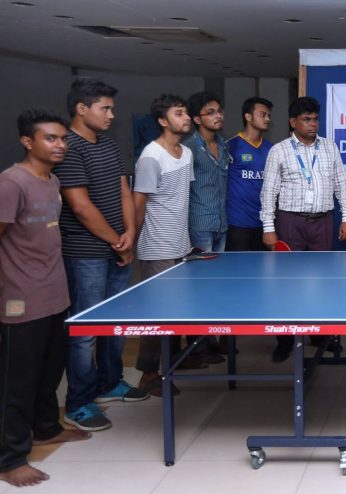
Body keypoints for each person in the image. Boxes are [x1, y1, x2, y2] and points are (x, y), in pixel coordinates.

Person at [0, 110, 91, 488]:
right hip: (21, 298)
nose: (60, 145)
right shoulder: (11, 182)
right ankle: (9, 458)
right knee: (16, 382)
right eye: (50, 138)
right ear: (27, 142)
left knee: (50, 371)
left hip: (55, 292)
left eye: (62, 139)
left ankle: (46, 427)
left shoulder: (51, 180)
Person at [55, 79, 147, 433]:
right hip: (85, 254)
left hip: (116, 249)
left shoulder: (108, 145)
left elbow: (124, 191)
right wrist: (116, 240)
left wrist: (130, 234)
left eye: (111, 108)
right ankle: (79, 401)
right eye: (105, 108)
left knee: (116, 323)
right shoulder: (69, 148)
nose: (112, 115)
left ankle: (110, 382)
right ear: (81, 108)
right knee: (85, 330)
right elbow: (79, 205)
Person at [261, 96, 346, 363]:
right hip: (290, 222)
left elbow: (341, 184)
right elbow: (269, 192)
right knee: (287, 284)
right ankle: (285, 340)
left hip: (323, 222)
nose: (312, 124)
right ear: (293, 122)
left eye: (315, 119)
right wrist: (269, 226)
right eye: (306, 119)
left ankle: (318, 334)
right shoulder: (279, 150)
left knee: (322, 282)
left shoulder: (330, 148)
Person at [133, 95, 198, 396]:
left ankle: (170, 368)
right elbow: (139, 202)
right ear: (162, 121)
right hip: (157, 245)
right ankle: (148, 374)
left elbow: (182, 199)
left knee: (174, 312)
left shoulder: (185, 153)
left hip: (180, 245)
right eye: (179, 113)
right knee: (157, 314)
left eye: (186, 113)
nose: (186, 117)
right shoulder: (151, 156)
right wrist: (132, 242)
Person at [183, 91, 230, 362]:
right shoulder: (189, 148)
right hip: (199, 223)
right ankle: (195, 344)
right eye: (211, 111)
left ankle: (209, 340)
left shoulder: (223, 145)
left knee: (216, 286)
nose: (218, 115)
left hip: (220, 222)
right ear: (197, 118)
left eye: (219, 110)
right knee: (200, 286)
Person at [226, 96, 273, 251]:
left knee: (263, 271)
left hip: (264, 223)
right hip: (238, 223)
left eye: (268, 115)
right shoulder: (231, 146)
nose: (267, 118)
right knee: (238, 271)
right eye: (262, 114)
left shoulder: (271, 149)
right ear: (248, 117)